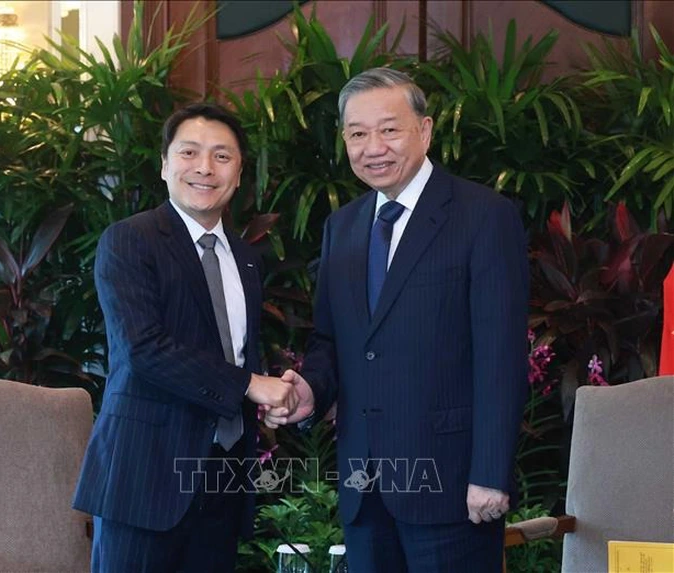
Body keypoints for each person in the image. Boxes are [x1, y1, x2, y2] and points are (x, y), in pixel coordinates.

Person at [268, 68, 529, 571]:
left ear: (425, 130)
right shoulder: (341, 227)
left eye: (389, 129)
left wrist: (491, 473)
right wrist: (311, 393)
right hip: (364, 488)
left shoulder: (483, 216)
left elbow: (500, 355)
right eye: (357, 133)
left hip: (453, 486)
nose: (373, 147)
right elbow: (332, 341)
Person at [72, 103, 296, 572]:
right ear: (165, 165)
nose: (204, 168)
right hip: (145, 475)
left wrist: (276, 395)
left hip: (223, 473)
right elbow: (144, 349)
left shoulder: (246, 258)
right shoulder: (130, 240)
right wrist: (250, 385)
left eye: (222, 156)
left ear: (238, 173)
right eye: (189, 152)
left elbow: (232, 350)